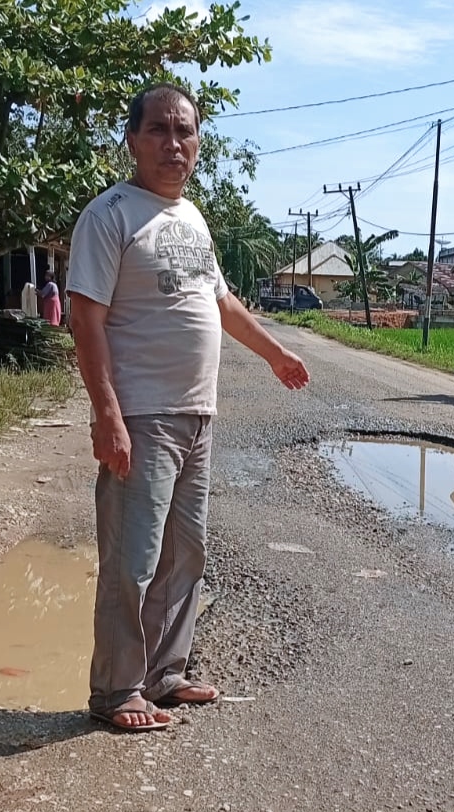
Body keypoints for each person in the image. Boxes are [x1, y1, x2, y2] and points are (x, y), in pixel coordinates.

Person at [67, 83, 310, 732]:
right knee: (132, 561)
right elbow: (84, 318)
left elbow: (222, 304)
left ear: (199, 142)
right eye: (159, 131)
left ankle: (163, 676)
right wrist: (107, 415)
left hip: (198, 416)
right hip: (143, 416)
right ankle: (116, 690)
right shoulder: (110, 214)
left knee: (185, 553)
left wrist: (276, 354)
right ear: (132, 140)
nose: (173, 144)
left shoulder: (193, 218)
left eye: (185, 132)